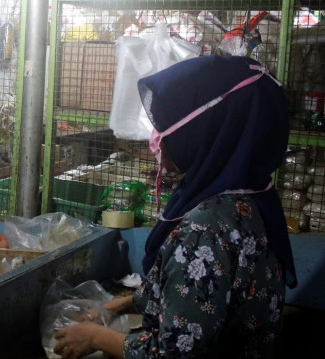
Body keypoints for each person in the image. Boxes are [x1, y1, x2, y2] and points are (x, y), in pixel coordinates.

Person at [53, 55, 297, 358]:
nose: (157, 139)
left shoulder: (205, 228)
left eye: (168, 126)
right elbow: (198, 291)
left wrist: (95, 337)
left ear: (206, 130)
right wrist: (119, 305)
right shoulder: (253, 195)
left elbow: (171, 353)